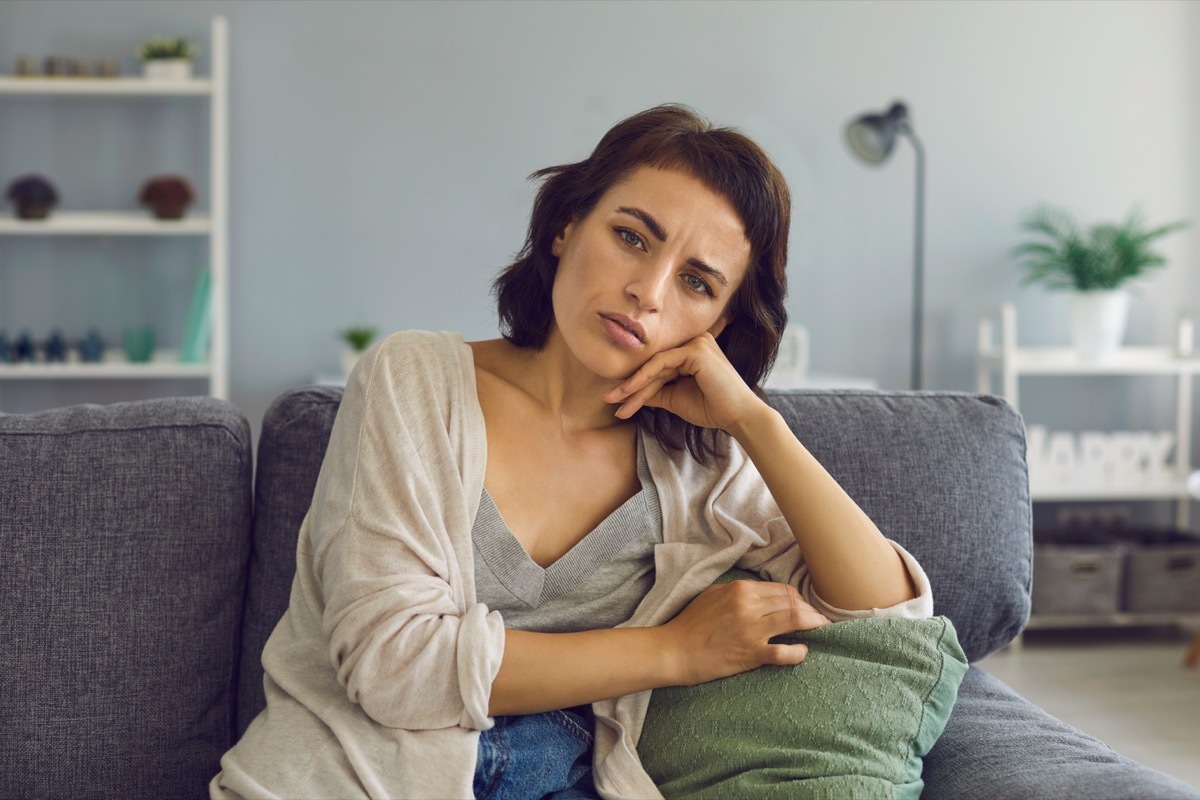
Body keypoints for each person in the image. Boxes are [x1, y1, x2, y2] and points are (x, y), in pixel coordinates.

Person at [211, 103, 932, 800]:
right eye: (632, 237)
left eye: (696, 283)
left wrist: (755, 422)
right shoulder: (414, 380)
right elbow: (394, 666)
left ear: (718, 322)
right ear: (565, 225)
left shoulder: (700, 464)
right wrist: (674, 652)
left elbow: (884, 616)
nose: (646, 292)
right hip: (350, 778)